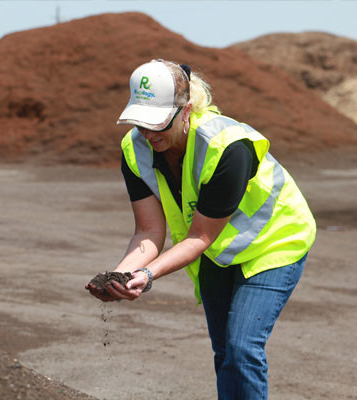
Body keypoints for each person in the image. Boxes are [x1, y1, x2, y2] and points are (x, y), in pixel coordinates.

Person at [86, 59, 316, 399]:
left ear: (186, 109)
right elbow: (148, 231)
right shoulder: (135, 149)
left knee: (242, 350)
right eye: (141, 122)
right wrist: (120, 276)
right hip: (215, 251)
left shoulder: (228, 147)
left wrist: (147, 276)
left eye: (158, 123)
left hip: (273, 244)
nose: (148, 134)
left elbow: (199, 236)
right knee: (225, 354)